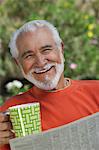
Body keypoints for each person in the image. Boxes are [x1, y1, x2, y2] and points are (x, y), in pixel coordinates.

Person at [0, 20, 99, 150]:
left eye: (46, 50)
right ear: (18, 63)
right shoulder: (9, 112)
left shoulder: (96, 91)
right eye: (29, 56)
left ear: (61, 50)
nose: (40, 62)